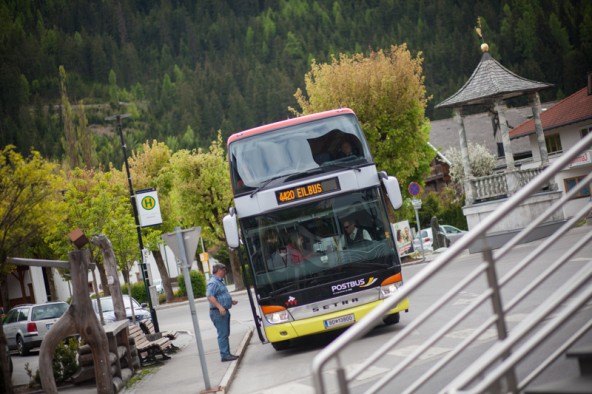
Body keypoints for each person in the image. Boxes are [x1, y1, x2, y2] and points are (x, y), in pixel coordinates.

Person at [206, 262, 239, 362]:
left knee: (225, 333)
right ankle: (225, 355)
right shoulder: (213, 282)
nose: (225, 272)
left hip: (222, 311)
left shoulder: (219, 282)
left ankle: (227, 354)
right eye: (224, 270)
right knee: (223, 334)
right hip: (218, 312)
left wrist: (230, 301)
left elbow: (219, 296)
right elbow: (210, 296)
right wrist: (220, 307)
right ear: (219, 270)